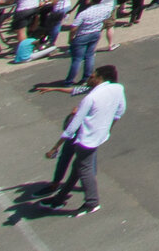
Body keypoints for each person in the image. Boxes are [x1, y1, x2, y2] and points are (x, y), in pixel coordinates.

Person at [35, 64, 125, 218]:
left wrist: (55, 147)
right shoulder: (117, 89)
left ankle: (92, 202)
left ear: (99, 78)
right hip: (99, 136)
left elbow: (74, 125)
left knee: (84, 170)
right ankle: (59, 199)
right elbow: (120, 111)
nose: (89, 77)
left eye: (92, 76)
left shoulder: (91, 98)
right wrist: (108, 128)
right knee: (78, 168)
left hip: (86, 140)